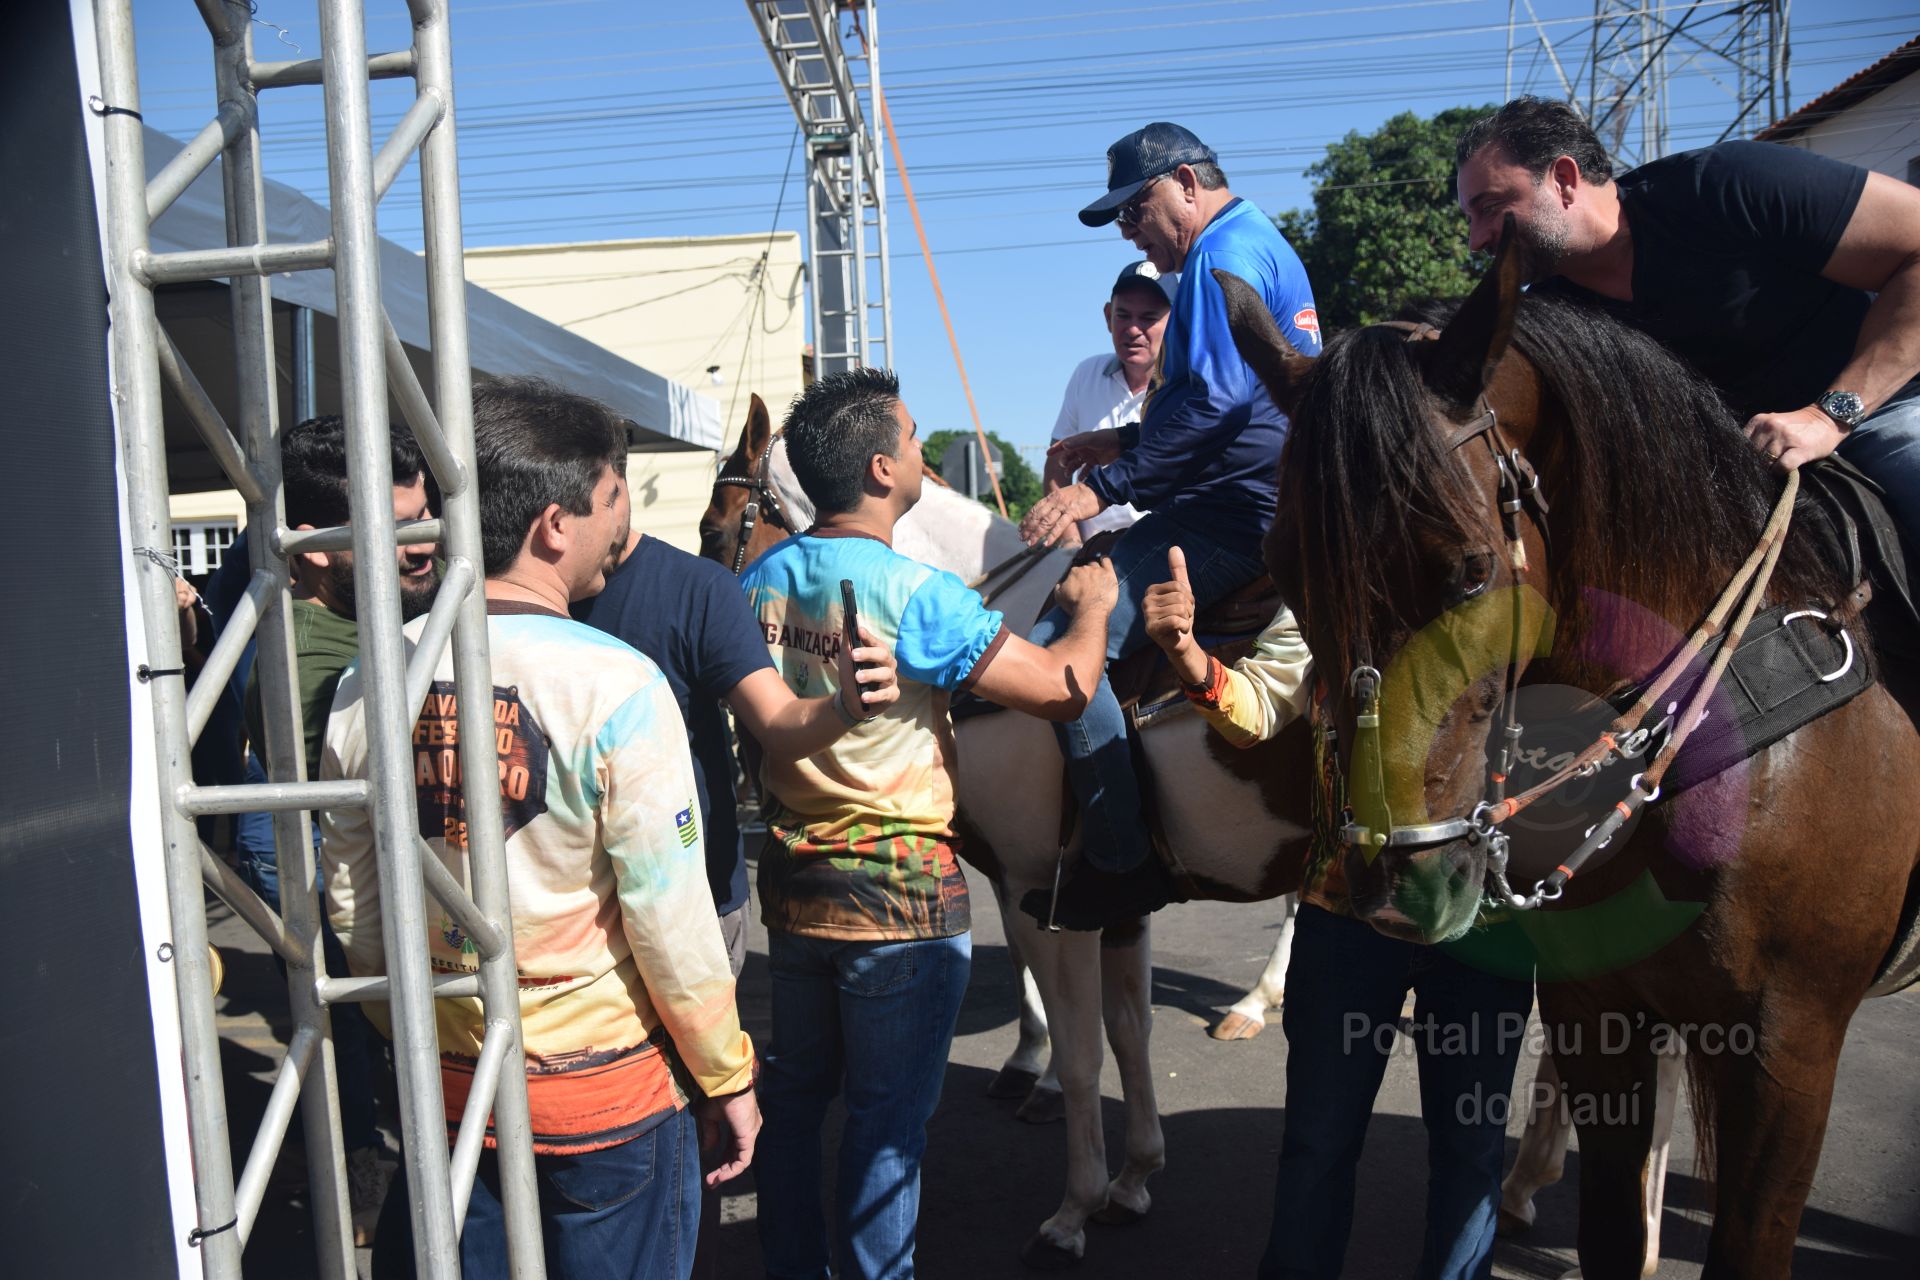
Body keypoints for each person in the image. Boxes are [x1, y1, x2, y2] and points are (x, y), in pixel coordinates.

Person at [324, 377, 759, 1280]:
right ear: (554, 526)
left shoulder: (369, 682)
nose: (621, 527)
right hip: (605, 1102)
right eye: (611, 500)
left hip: (445, 1089)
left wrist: (424, 1034)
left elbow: (354, 905)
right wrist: (726, 1074)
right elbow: (671, 922)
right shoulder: (618, 684)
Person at [739, 367, 1118, 1280]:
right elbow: (1065, 691)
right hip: (901, 901)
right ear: (880, 469)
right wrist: (1094, 611)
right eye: (912, 442)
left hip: (792, 889)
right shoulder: (918, 594)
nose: (922, 454)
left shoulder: (756, 584)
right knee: (886, 1129)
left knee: (796, 1101)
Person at [1144, 550, 1533, 1280]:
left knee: (1471, 1146)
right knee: (1319, 1140)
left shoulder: (1518, 595)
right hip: (1344, 911)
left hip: (1484, 924)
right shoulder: (1332, 591)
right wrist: (1187, 654)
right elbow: (1254, 713)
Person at [573, 492, 901, 1279]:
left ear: (614, 489)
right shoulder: (498, 597)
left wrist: (844, 705)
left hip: (691, 891)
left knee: (696, 1118)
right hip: (568, 911)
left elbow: (778, 719)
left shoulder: (696, 587)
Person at [1017, 121, 1323, 929]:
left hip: (1235, 515)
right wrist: (1121, 438)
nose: (1126, 229)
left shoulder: (1220, 258)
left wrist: (1103, 485)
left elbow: (1220, 406)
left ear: (1187, 182)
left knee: (1062, 640)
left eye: (1135, 207)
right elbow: (1227, 400)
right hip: (1249, 501)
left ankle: (1120, 860)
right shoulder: (1246, 243)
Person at [1453, 95, 1920, 548]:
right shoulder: (1550, 320)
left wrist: (1826, 418)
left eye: (1490, 207)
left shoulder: (1724, 185)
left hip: (1880, 415)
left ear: (1564, 179)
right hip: (1737, 486)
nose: (1476, 240)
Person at [246, 414, 440, 1244]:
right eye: (394, 530)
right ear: (314, 545)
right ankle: (367, 1176)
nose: (422, 543)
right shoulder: (309, 653)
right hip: (376, 922)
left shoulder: (383, 619)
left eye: (423, 515)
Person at [1042, 259, 1178, 544]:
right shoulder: (1086, 374)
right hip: (1092, 551)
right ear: (1107, 316)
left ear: (1176, 321)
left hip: (1163, 548)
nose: (1132, 329)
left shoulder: (1190, 387)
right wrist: (1071, 546)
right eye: (1123, 315)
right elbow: (1057, 463)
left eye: (1148, 318)